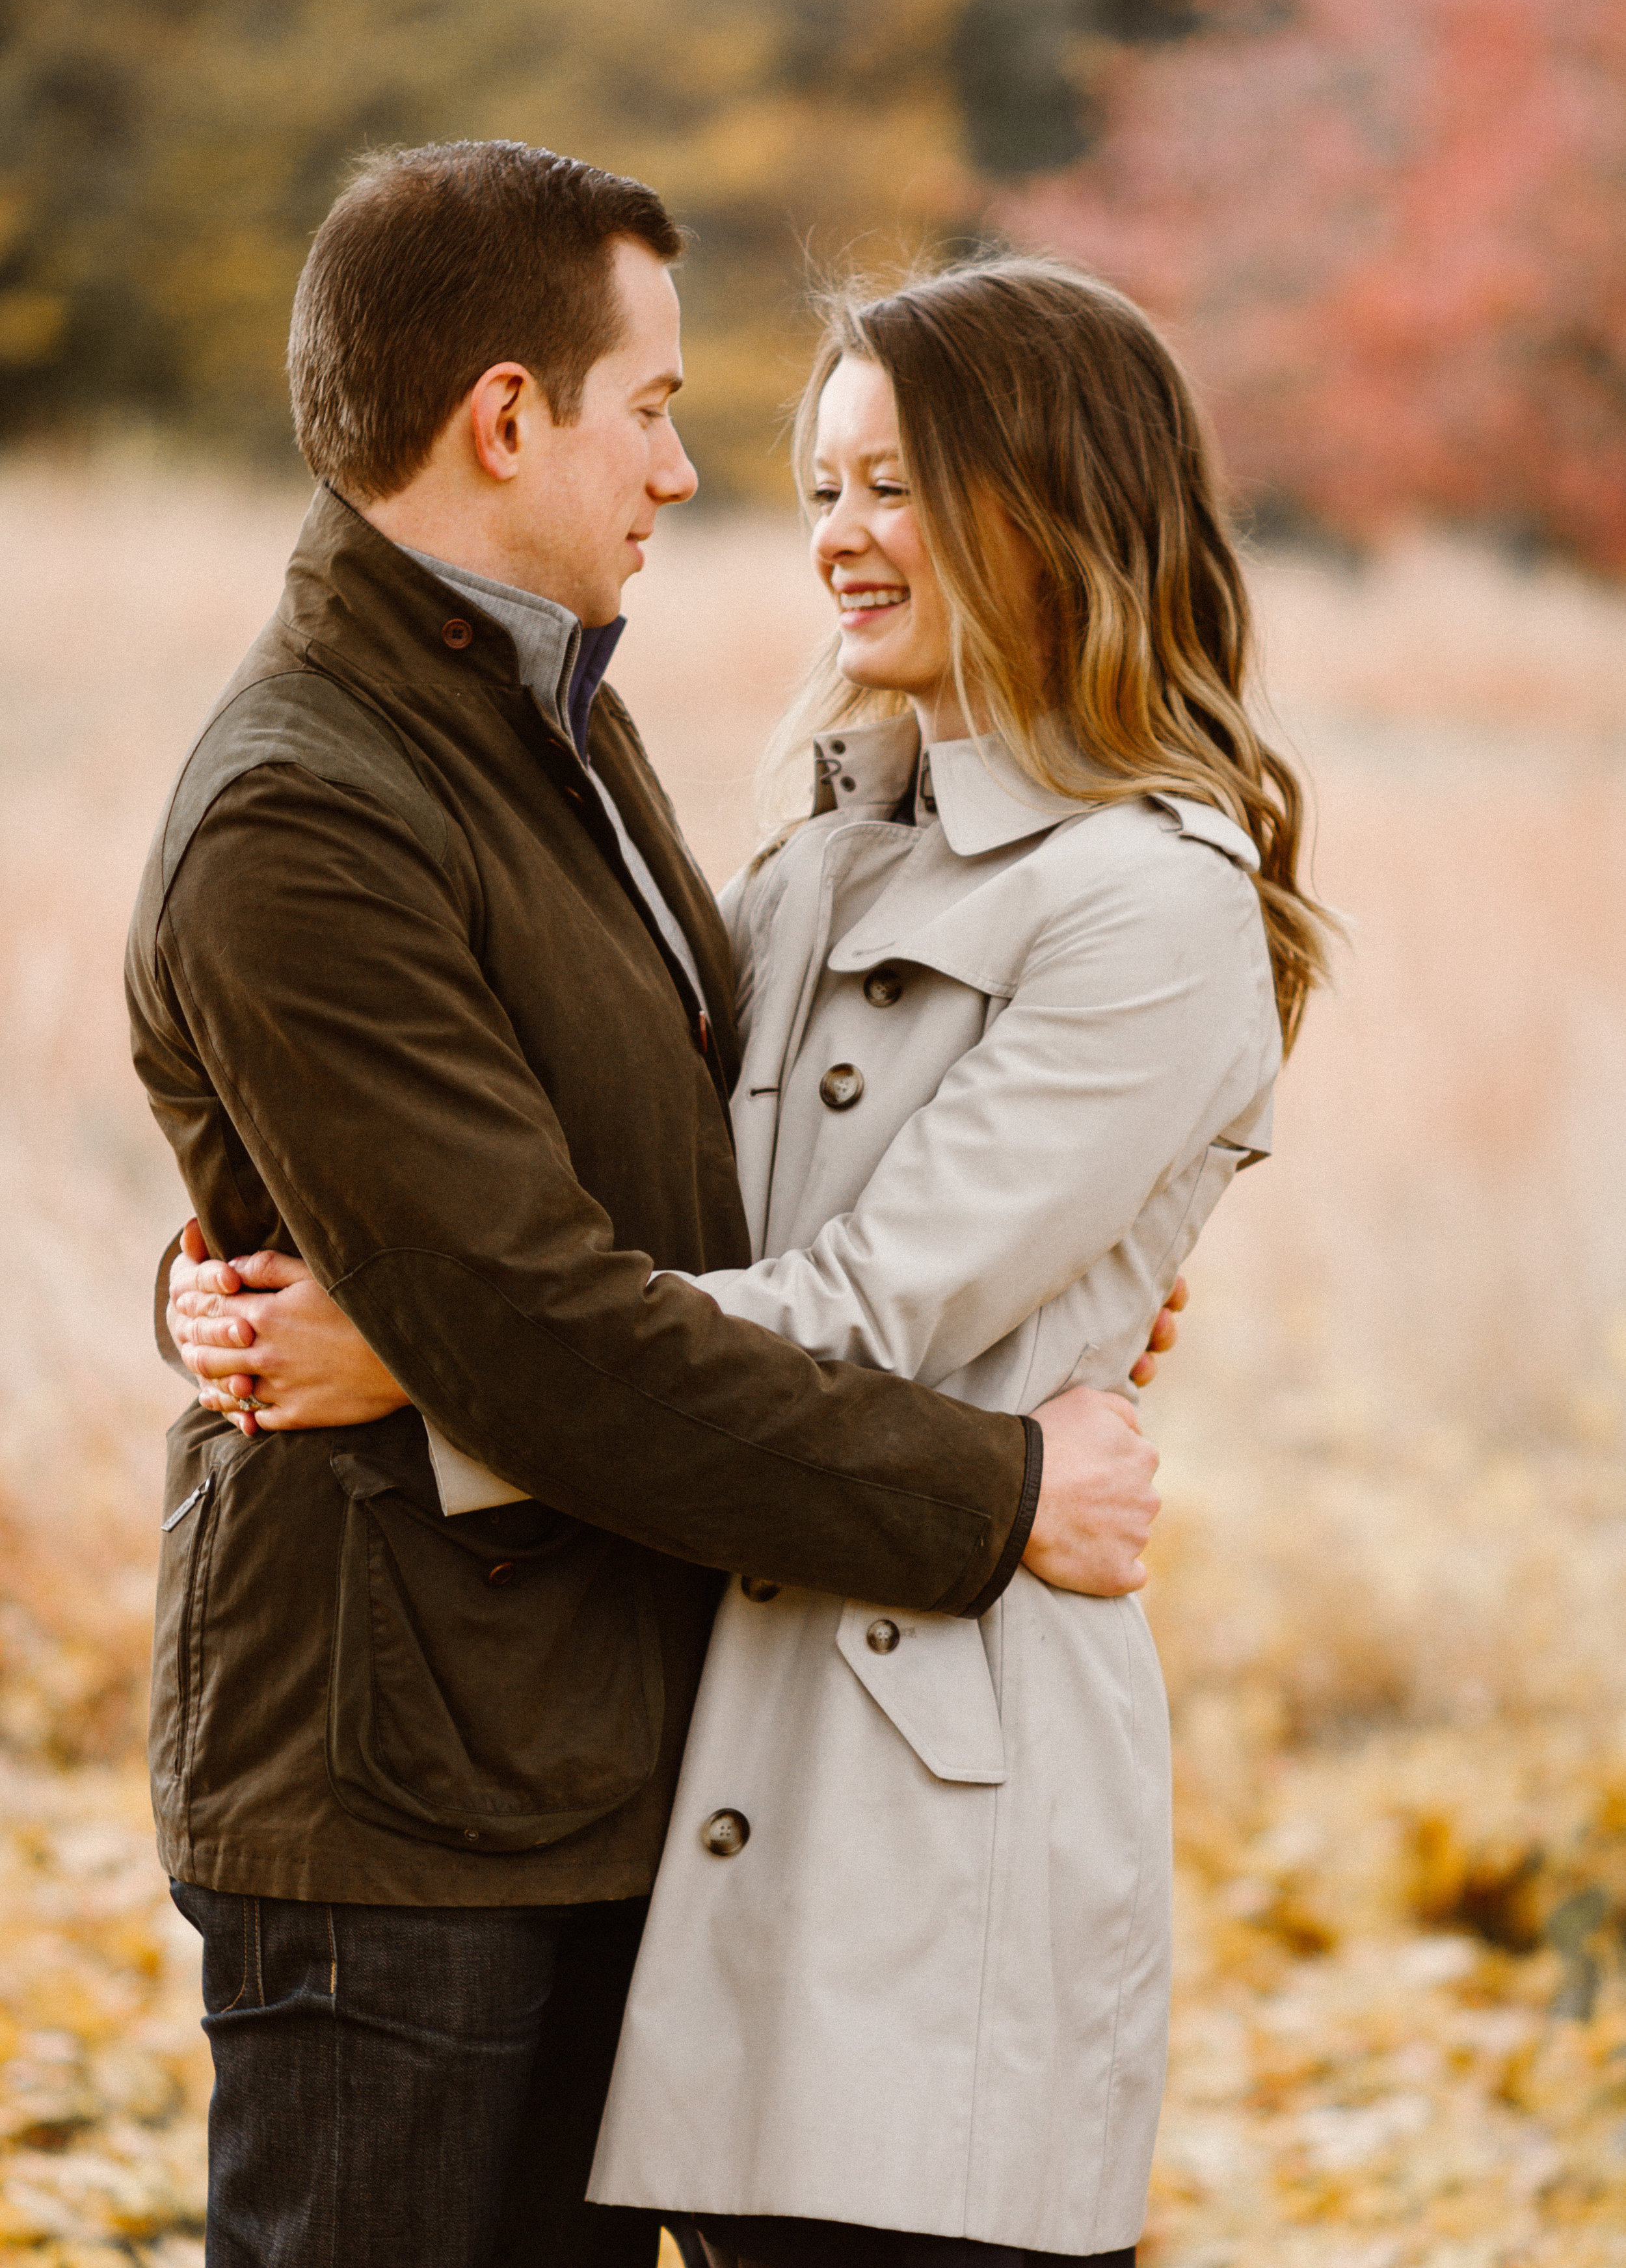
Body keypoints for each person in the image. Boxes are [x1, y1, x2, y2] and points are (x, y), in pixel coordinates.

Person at [168, 254, 1331, 2263]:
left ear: (1057, 497)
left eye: (896, 486)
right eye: (823, 487)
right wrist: (262, 1290)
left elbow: (863, 1312)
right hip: (679, 1716)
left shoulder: (1149, 902)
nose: (836, 540)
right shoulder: (809, 842)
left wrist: (432, 1365)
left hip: (923, 1770)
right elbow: (588, 1198)